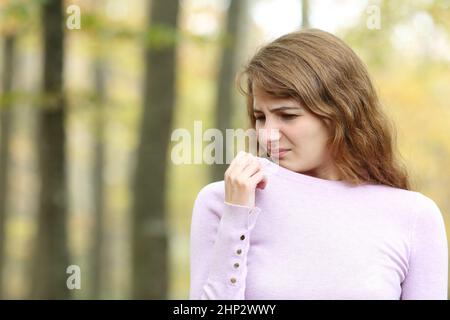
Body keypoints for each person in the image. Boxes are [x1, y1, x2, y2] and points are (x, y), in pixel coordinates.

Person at [189, 29, 448, 299]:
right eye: (260, 117)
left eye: (287, 116)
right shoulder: (222, 202)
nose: (266, 135)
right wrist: (237, 218)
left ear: (341, 112)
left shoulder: (414, 216)